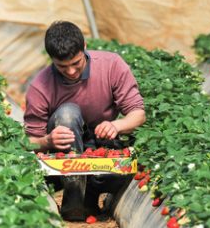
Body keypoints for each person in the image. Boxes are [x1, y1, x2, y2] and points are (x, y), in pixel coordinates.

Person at [24, 21, 146, 221]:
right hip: (64, 157)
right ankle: (74, 200)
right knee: (67, 114)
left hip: (102, 146)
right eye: (62, 66)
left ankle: (91, 195)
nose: (71, 71)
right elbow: (29, 141)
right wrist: (47, 141)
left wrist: (116, 125)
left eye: (76, 63)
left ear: (85, 48)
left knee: (124, 169)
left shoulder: (111, 65)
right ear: (51, 59)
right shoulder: (40, 86)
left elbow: (138, 114)